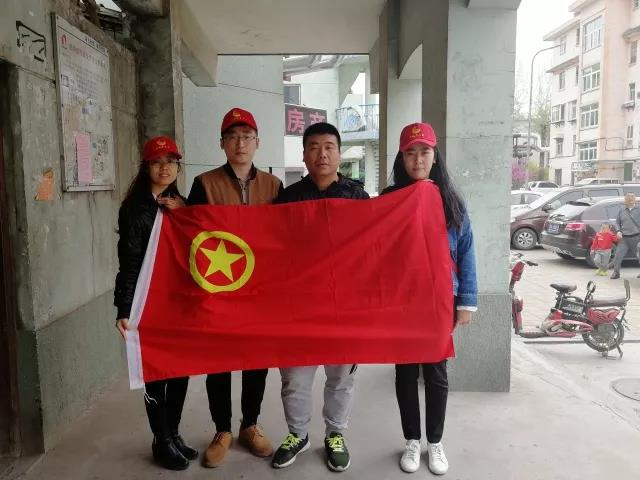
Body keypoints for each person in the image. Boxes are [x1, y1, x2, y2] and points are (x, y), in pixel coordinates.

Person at [271, 122, 369, 472]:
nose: (322, 154)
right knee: (294, 379)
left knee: (341, 377)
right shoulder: (288, 198)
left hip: (345, 306)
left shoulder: (358, 197)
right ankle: (297, 434)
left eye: (329, 146)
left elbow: (371, 250)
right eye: (314, 147)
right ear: (304, 155)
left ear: (339, 153)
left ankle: (335, 434)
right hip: (298, 307)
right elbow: (272, 248)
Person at [380, 122, 477, 476]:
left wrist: (466, 302)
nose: (418, 159)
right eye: (410, 153)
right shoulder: (390, 199)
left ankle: (435, 442)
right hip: (402, 303)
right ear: (401, 157)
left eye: (424, 152)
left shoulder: (450, 201)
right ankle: (412, 439)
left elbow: (466, 252)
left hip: (439, 301)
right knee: (405, 373)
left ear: (435, 156)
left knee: (436, 374)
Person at [187, 108, 282, 468]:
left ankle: (250, 425)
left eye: (246, 137)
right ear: (222, 144)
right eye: (232, 137)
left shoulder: (274, 186)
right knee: (219, 361)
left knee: (257, 360)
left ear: (258, 142)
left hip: (260, 292)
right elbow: (191, 235)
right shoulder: (204, 184)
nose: (240, 143)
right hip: (219, 290)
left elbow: (285, 237)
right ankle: (222, 430)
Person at [114, 136, 197, 471]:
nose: (165, 168)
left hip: (179, 303)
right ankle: (161, 441)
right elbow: (129, 263)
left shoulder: (181, 203)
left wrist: (185, 214)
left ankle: (173, 433)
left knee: (180, 371)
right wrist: (124, 309)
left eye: (171, 162)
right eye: (157, 162)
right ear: (146, 167)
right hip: (148, 303)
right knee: (156, 373)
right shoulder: (134, 209)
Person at [610, 193, 640, 279]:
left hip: (637, 237)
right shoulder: (621, 210)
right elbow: (617, 223)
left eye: (632, 197)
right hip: (624, 238)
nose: (630, 199)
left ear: (635, 199)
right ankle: (616, 272)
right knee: (618, 256)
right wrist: (618, 231)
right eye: (628, 197)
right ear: (625, 200)